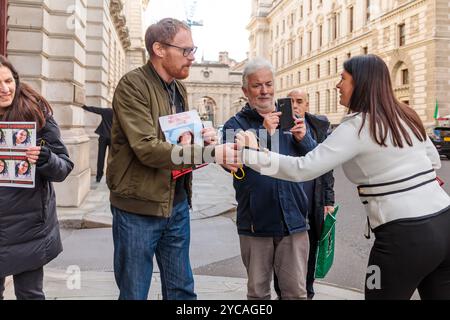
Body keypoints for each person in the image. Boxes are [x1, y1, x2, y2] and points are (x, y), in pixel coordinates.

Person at [232, 54, 450, 300]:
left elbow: (302, 168)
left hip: (403, 237)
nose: (338, 85)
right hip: (444, 221)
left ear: (361, 84)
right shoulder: (407, 115)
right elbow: (432, 161)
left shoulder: (355, 127)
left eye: (343, 79)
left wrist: (250, 154)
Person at [106, 18, 219, 300]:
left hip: (176, 203)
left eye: (193, 50)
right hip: (138, 208)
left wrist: (199, 137)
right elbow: (146, 148)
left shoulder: (178, 88)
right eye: (186, 50)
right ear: (158, 49)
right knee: (134, 293)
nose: (192, 58)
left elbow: (176, 136)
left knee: (182, 291)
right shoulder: (132, 85)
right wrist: (211, 153)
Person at [221, 57, 317, 300]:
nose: (264, 91)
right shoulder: (235, 124)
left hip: (293, 221)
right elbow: (234, 163)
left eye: (268, 84)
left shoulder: (293, 117)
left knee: (295, 293)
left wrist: (303, 138)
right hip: (256, 223)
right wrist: (265, 133)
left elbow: (315, 160)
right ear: (245, 91)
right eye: (257, 85)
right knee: (258, 294)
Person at [0, 55, 74, 300]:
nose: (4, 89)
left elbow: (63, 167)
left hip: (28, 227)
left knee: (29, 295)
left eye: (9, 81)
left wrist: (45, 158)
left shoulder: (34, 110)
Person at [81, 105, 113, 182]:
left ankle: (99, 177)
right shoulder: (118, 112)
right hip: (113, 137)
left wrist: (84, 106)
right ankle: (109, 178)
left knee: (101, 157)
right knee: (111, 158)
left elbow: (95, 109)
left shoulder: (107, 111)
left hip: (103, 136)